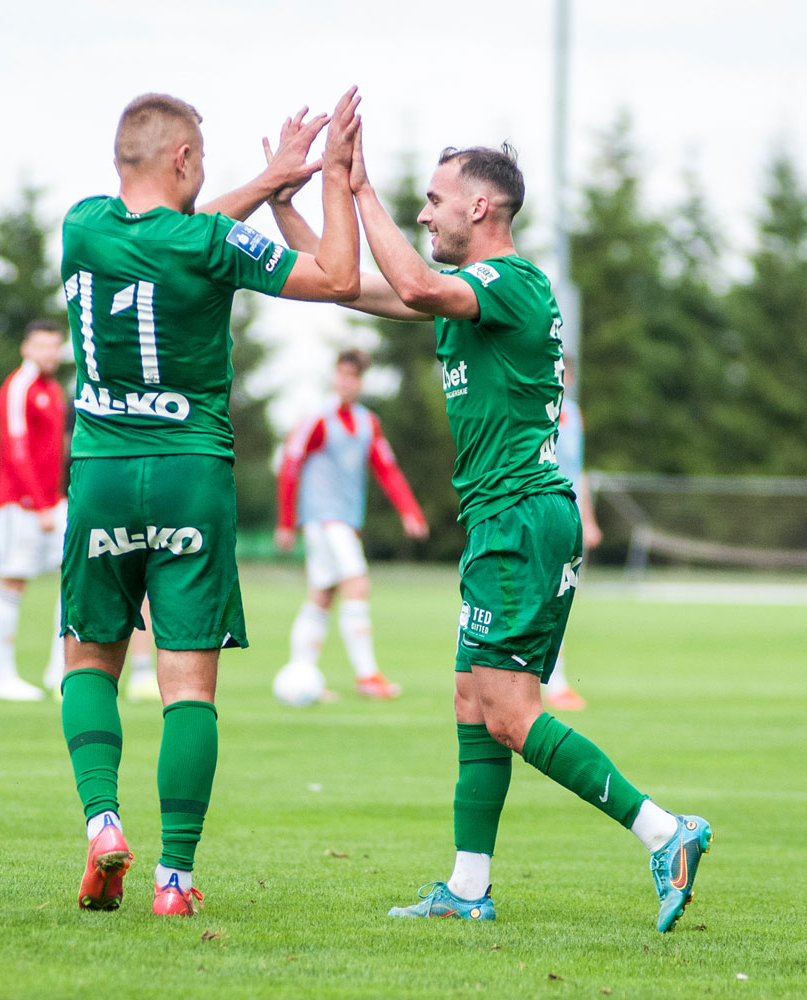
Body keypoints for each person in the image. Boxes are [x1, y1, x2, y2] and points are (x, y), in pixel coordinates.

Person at [267, 131, 711, 931]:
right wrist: (287, 203)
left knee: (508, 710)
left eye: (433, 200)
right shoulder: (466, 289)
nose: (424, 212)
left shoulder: (512, 282)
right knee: (474, 702)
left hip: (520, 517)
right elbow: (345, 285)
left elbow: (413, 281)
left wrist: (360, 188)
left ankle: (665, 832)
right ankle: (468, 889)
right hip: (503, 519)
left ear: (479, 206)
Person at [58, 88, 363, 918]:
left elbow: (167, 231)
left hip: (103, 473)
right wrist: (325, 176)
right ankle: (174, 880)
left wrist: (264, 179)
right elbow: (337, 274)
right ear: (186, 160)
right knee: (187, 686)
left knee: (90, 657)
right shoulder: (216, 243)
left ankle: (103, 826)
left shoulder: (82, 227)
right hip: (191, 473)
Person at [275, 347, 429, 699]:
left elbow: (385, 468)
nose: (347, 382)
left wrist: (410, 511)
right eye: (342, 374)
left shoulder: (367, 422)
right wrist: (286, 522)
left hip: (345, 520)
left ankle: (302, 674)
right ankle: (367, 676)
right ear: (334, 376)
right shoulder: (317, 418)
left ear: (360, 381)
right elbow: (290, 465)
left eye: (354, 376)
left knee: (322, 595)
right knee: (357, 585)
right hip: (323, 519)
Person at [0, 320, 68, 701]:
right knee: (13, 580)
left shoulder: (54, 390)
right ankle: (2, 677)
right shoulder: (18, 386)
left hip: (54, 503)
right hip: (19, 506)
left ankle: (60, 671)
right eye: (42, 346)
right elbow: (15, 449)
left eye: (55, 346)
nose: (49, 353)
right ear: (26, 348)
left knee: (75, 578)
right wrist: (38, 505)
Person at [544, 356, 602, 711]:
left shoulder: (574, 415)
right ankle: (552, 681)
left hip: (568, 518)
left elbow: (578, 471)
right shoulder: (534, 409)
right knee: (542, 598)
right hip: (540, 515)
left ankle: (554, 680)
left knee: (557, 598)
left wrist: (589, 519)